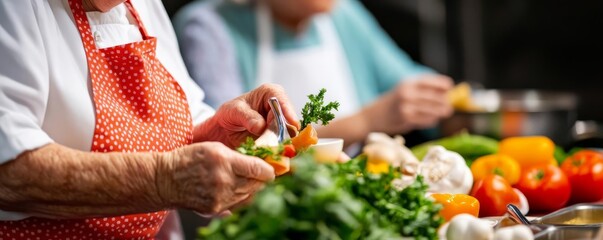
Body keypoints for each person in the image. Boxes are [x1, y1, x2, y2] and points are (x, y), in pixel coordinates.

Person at [0, 0, 300, 239]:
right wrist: (161, 180)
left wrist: (215, 135)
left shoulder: (143, 5)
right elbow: (8, 171)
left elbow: (177, 118)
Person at [174, 0, 454, 149]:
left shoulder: (343, 13)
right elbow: (227, 145)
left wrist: (461, 106)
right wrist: (367, 121)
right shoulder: (208, 27)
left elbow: (410, 82)